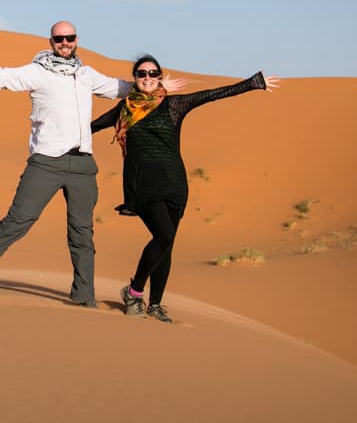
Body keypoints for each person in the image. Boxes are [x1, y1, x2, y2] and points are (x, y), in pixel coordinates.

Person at [0, 22, 186, 307]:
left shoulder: (86, 75)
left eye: (69, 38)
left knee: (82, 232)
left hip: (83, 164)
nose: (65, 42)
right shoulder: (37, 72)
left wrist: (157, 86)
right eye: (60, 38)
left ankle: (84, 296)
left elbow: (126, 88)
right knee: (18, 221)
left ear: (76, 40)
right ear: (51, 41)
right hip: (46, 162)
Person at [91, 55, 280, 322]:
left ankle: (155, 305)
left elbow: (211, 95)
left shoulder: (174, 105)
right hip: (142, 186)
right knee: (164, 235)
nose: (147, 78)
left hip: (175, 185)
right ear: (135, 78)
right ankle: (133, 292)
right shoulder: (124, 110)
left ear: (159, 76)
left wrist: (252, 83)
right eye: (141, 74)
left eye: (152, 74)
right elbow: (91, 127)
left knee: (167, 244)